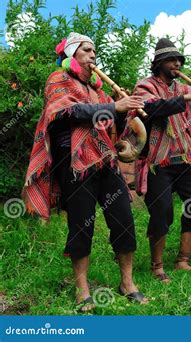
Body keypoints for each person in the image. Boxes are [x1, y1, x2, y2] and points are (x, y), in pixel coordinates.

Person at [22, 32, 148, 312]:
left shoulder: (97, 89)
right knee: (81, 225)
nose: (93, 56)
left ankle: (127, 283)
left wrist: (126, 110)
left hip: (105, 160)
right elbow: (67, 113)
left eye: (94, 51)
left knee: (124, 220)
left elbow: (108, 119)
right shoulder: (58, 79)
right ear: (71, 54)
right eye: (87, 50)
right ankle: (82, 289)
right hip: (74, 164)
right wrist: (113, 106)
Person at [122, 38, 191, 281]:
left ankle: (183, 260)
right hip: (158, 163)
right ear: (159, 63)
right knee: (162, 212)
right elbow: (149, 108)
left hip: (186, 161)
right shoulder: (145, 85)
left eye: (179, 60)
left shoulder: (183, 89)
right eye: (172, 60)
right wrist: (188, 99)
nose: (177, 64)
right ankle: (157, 266)